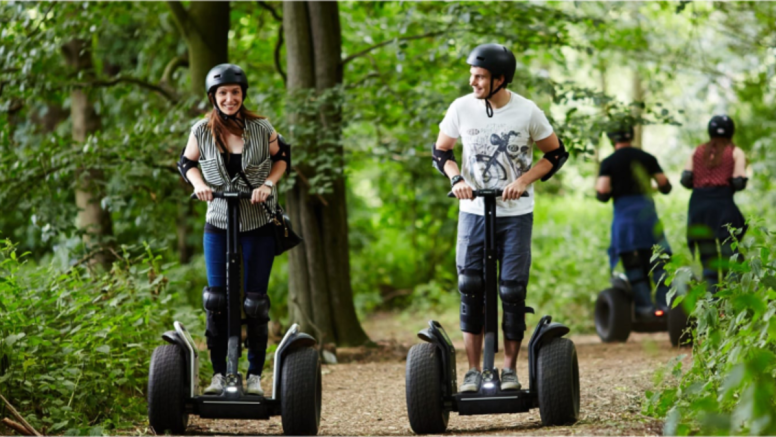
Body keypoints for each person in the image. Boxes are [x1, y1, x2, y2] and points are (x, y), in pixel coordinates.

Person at [433, 43, 568, 392]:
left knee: (511, 290)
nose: (472, 81)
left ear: (500, 79)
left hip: (515, 214)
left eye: (479, 76)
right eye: (472, 74)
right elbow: (441, 151)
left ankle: (509, 370)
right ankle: (473, 371)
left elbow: (555, 154)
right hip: (473, 212)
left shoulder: (527, 111)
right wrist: (456, 178)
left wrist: (523, 181)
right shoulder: (461, 108)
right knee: (471, 287)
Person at [177, 64, 291, 396]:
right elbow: (186, 163)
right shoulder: (201, 130)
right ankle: (218, 374)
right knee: (217, 300)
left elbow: (282, 156)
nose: (229, 99)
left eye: (235, 93)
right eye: (223, 93)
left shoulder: (260, 127)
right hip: (219, 223)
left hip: (256, 223)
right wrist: (198, 184)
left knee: (254, 302)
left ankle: (254, 375)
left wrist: (268, 184)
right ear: (213, 96)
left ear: (243, 96)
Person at [595, 122, 673, 317]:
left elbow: (602, 191)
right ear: (631, 136)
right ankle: (665, 306)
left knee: (632, 264)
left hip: (625, 220)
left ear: (612, 139)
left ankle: (645, 308)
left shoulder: (609, 162)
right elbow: (664, 184)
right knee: (658, 262)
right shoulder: (647, 158)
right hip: (648, 218)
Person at [680, 114, 747, 291]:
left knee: (708, 260)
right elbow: (739, 181)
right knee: (729, 257)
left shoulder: (697, 151)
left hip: (698, 207)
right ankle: (732, 302)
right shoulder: (735, 151)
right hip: (722, 206)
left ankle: (712, 303)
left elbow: (686, 180)